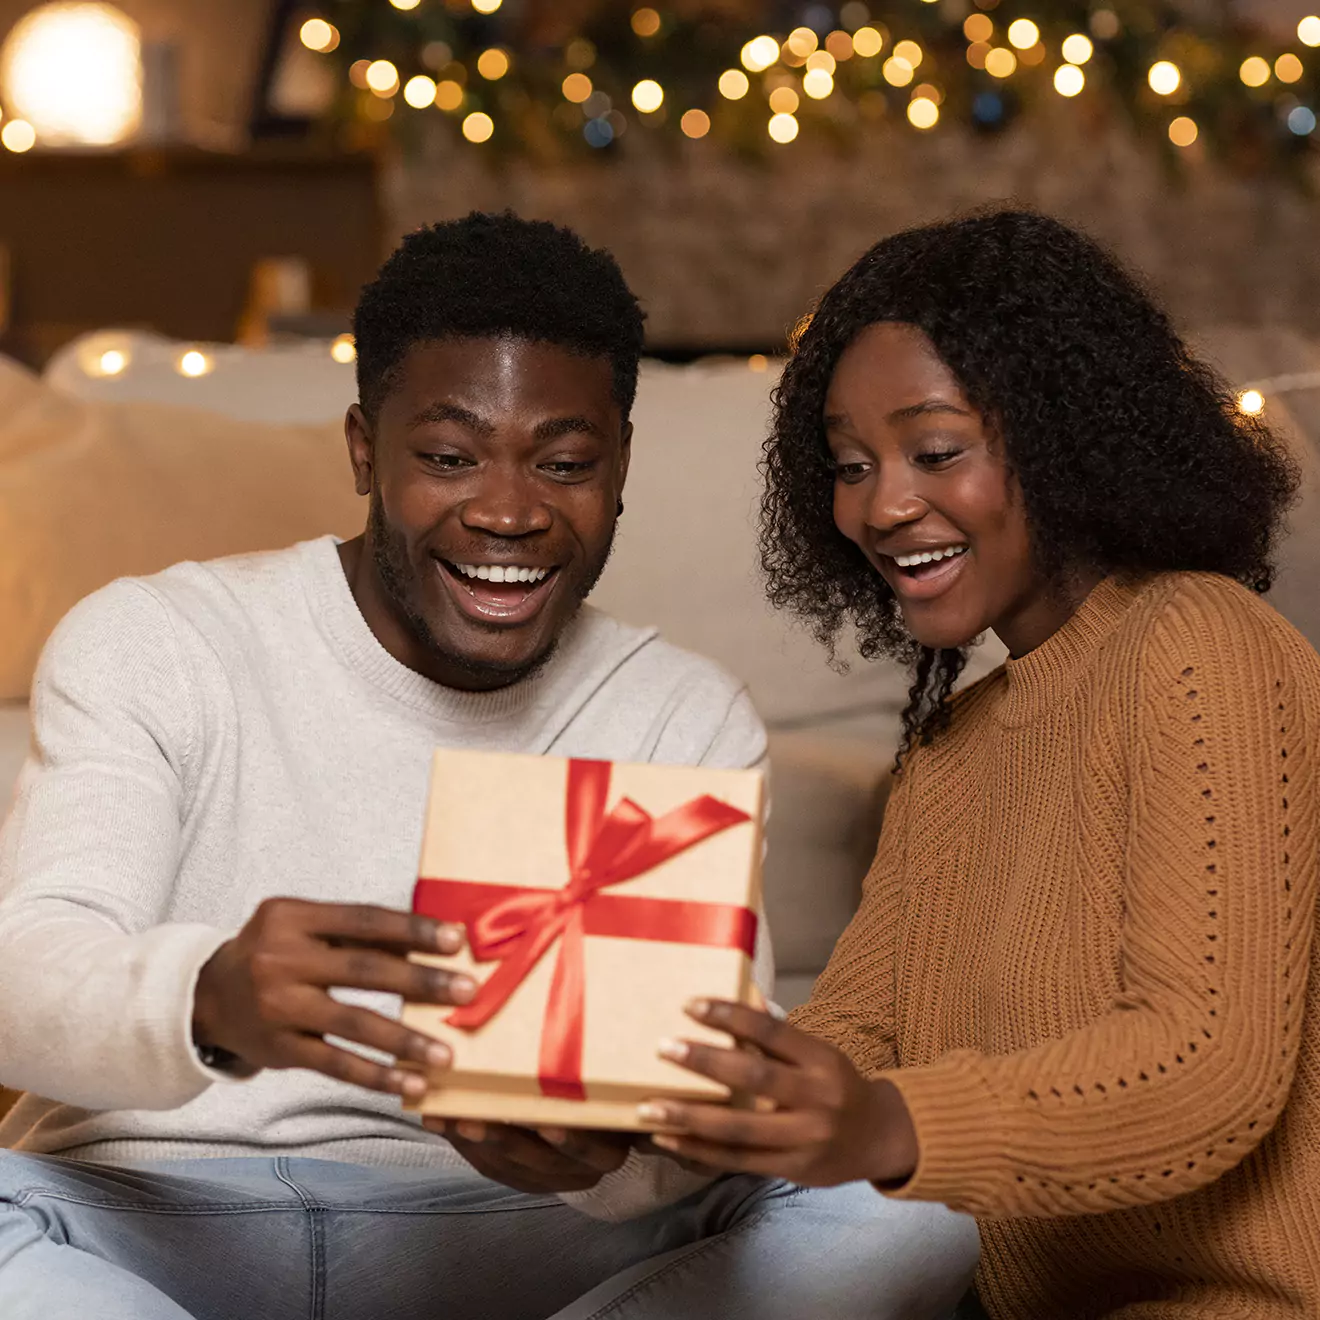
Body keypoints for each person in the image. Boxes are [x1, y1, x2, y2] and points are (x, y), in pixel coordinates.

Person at [0, 212, 977, 1320]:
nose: (509, 512)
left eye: (563, 464)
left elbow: (697, 1103)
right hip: (142, 1212)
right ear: (366, 449)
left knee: (911, 1210)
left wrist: (601, 1155)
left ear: (618, 469)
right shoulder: (157, 640)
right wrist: (209, 997)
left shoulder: (678, 715)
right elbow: (24, 971)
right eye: (448, 458)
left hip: (494, 1234)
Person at [641, 209, 1320, 1319]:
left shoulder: (1198, 645)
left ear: (1064, 437)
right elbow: (853, 1034)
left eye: (936, 450)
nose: (882, 505)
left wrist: (888, 1127)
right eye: (851, 466)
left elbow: (1206, 1066)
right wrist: (640, 1107)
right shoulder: (950, 750)